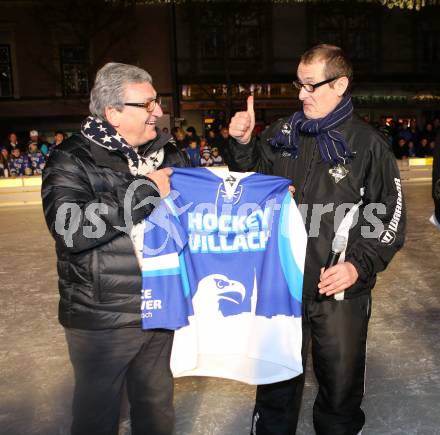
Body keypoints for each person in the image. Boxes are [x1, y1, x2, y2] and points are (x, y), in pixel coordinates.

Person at [228, 44, 406, 435]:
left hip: (339, 290)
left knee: (340, 391)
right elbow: (251, 185)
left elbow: (388, 215)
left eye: (311, 85)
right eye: (299, 84)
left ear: (340, 84)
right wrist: (242, 145)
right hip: (283, 285)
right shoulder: (281, 134)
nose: (301, 94)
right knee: (276, 385)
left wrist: (357, 265)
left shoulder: (367, 144)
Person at [41, 62, 188, 435]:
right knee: (97, 417)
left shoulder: (168, 153)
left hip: (158, 306)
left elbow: (203, 205)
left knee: (156, 410)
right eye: (148, 104)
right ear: (113, 113)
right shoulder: (72, 158)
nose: (158, 111)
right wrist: (145, 192)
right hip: (101, 318)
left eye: (157, 102)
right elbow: (70, 228)